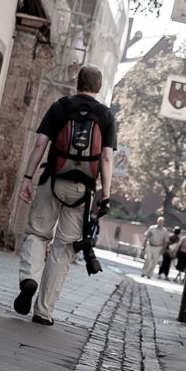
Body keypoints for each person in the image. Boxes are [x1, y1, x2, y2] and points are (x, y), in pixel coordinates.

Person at [13, 64, 117, 325]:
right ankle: (44, 311)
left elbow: (40, 143)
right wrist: (106, 193)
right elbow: (106, 157)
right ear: (99, 87)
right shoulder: (106, 115)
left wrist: (27, 177)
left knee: (37, 233)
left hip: (52, 180)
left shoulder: (60, 106)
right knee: (64, 247)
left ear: (76, 83)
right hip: (82, 190)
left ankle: (29, 279)